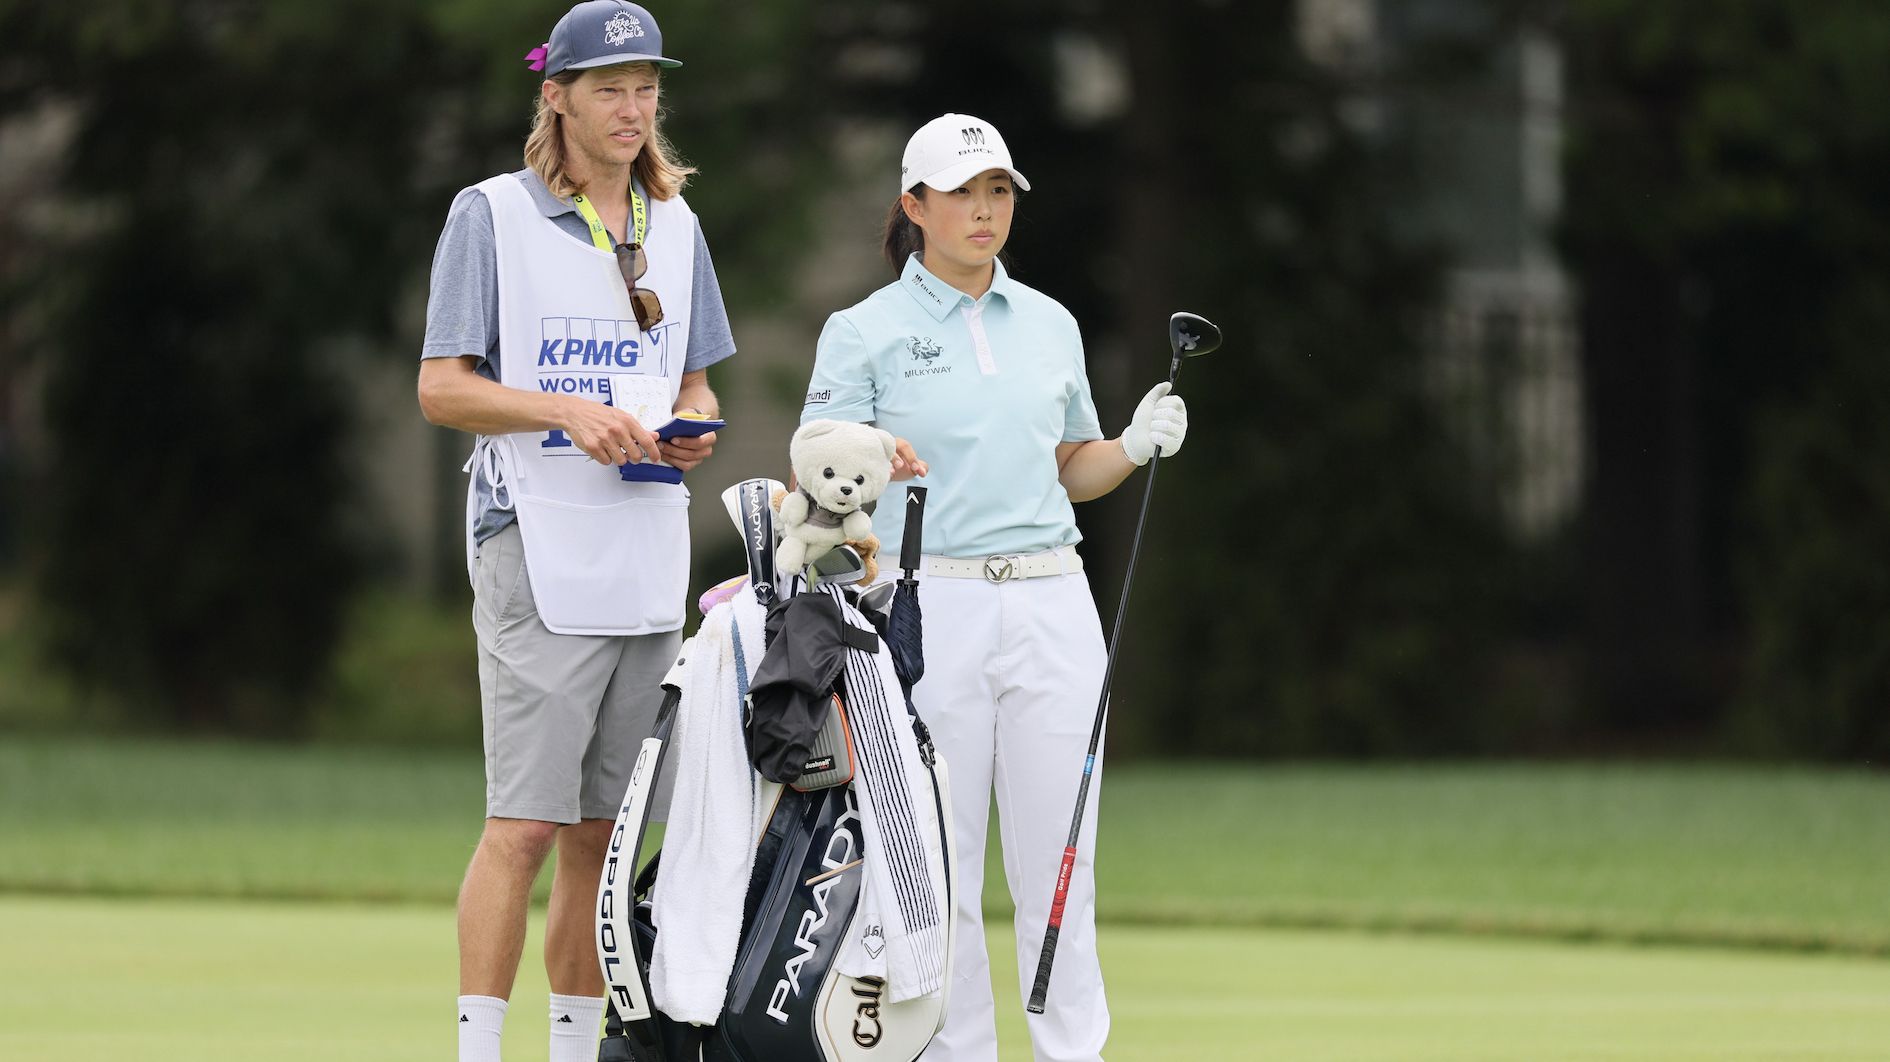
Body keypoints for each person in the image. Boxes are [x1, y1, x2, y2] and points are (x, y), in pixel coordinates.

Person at [798, 114, 1188, 1062]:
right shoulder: (863, 331)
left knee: (1064, 852)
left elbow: (1071, 467)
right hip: (933, 607)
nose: (983, 211)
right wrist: (864, 456)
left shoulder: (1050, 321)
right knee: (942, 855)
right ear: (913, 207)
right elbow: (814, 468)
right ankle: (951, 1052)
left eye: (999, 192)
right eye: (963, 193)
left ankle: (1071, 1049)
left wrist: (1131, 449)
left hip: (1055, 599)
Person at [415, 4, 735, 1060]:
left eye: (646, 88)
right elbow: (441, 390)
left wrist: (693, 428)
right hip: (536, 539)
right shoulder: (492, 214)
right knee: (525, 826)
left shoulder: (679, 226)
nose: (633, 108)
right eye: (609, 88)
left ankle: (573, 1052)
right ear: (556, 96)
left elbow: (691, 379)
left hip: (645, 542)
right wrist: (566, 412)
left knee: (605, 831)